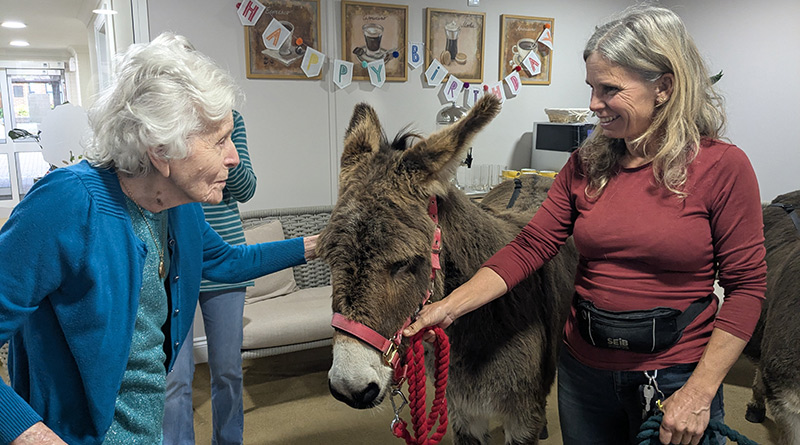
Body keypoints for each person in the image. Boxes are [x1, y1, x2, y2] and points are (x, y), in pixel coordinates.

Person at [404, 6, 766, 445]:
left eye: (609, 89)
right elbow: (530, 247)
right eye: (592, 88)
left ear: (664, 87)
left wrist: (699, 392)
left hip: (675, 376)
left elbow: (747, 289)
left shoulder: (722, 168)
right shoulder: (585, 164)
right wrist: (448, 308)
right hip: (585, 374)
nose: (594, 104)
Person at [0, 32, 317, 445]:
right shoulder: (67, 203)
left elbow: (227, 262)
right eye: (219, 140)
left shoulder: (179, 206)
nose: (234, 157)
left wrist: (318, 244)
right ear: (161, 149)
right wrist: (31, 436)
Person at [163, 108, 257, 445]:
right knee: (175, 377)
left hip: (227, 253)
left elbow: (246, 189)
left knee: (228, 370)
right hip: (173, 256)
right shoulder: (167, 118)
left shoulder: (231, 118)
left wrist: (221, 146)